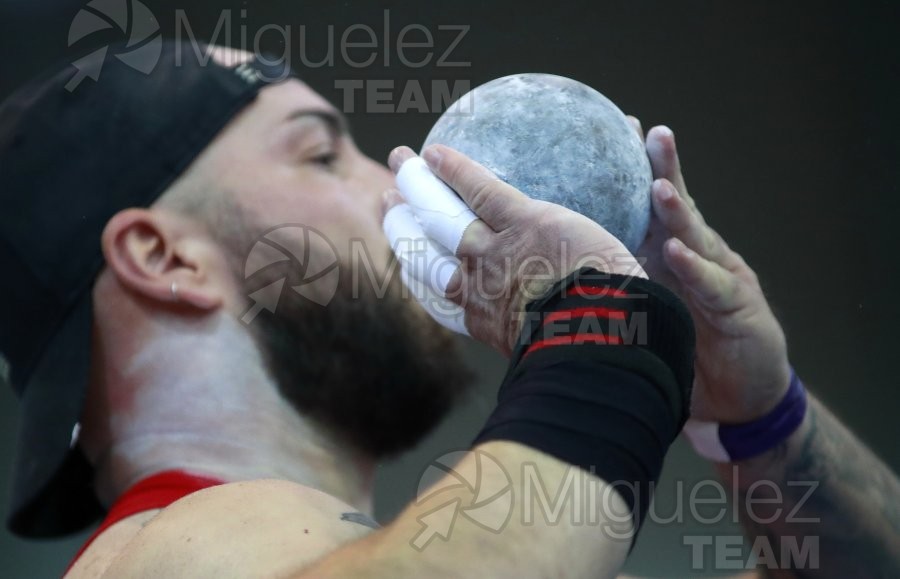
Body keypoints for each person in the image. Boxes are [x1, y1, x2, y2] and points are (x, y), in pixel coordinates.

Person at [0, 40, 896, 578]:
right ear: (165, 258)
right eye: (321, 155)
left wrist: (761, 417)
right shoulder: (156, 551)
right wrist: (601, 321)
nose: (401, 186)